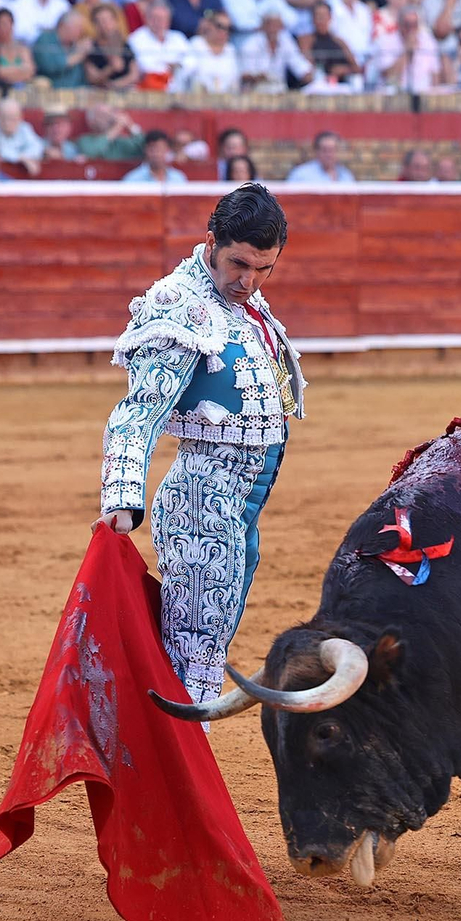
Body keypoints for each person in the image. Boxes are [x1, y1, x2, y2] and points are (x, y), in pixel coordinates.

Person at [94, 184, 304, 710]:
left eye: (263, 269)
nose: (249, 281)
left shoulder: (240, 299)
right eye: (238, 264)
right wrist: (121, 500)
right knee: (192, 653)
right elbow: (137, 414)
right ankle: (175, 769)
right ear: (210, 241)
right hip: (200, 503)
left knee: (206, 643)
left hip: (238, 503)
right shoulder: (180, 304)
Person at [121, 130, 188, 183]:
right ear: (145, 150)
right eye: (152, 149)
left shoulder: (178, 178)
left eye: (160, 149)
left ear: (167, 150)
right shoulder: (132, 179)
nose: (156, 153)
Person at [287, 131, 354, 182]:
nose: (329, 155)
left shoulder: (346, 175)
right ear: (317, 151)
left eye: (333, 150)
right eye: (325, 150)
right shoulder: (301, 175)